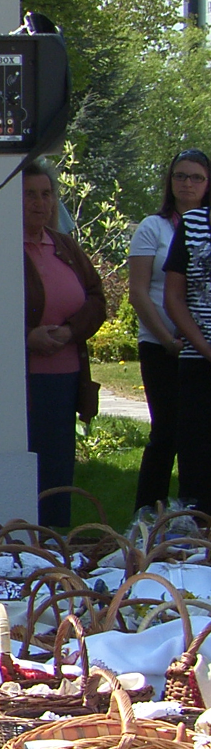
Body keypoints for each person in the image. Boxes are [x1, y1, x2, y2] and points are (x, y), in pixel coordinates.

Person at [22, 160, 106, 526]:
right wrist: (27, 338)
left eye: (46, 194)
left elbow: (96, 297)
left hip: (66, 378)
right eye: (29, 195)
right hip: (26, 380)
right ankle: (24, 544)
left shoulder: (65, 246)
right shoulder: (1, 250)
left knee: (59, 468)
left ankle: (56, 546)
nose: (40, 203)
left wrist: (71, 332)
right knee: (30, 468)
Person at [128, 150, 211, 511]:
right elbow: (140, 291)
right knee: (168, 433)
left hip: (187, 340)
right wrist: (167, 337)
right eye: (180, 176)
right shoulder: (155, 227)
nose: (187, 183)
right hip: (164, 343)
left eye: (196, 177)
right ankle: (150, 513)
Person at [164, 171, 211, 507]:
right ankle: (197, 546)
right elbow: (174, 297)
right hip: (199, 363)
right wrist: (206, 348)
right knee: (198, 463)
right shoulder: (193, 224)